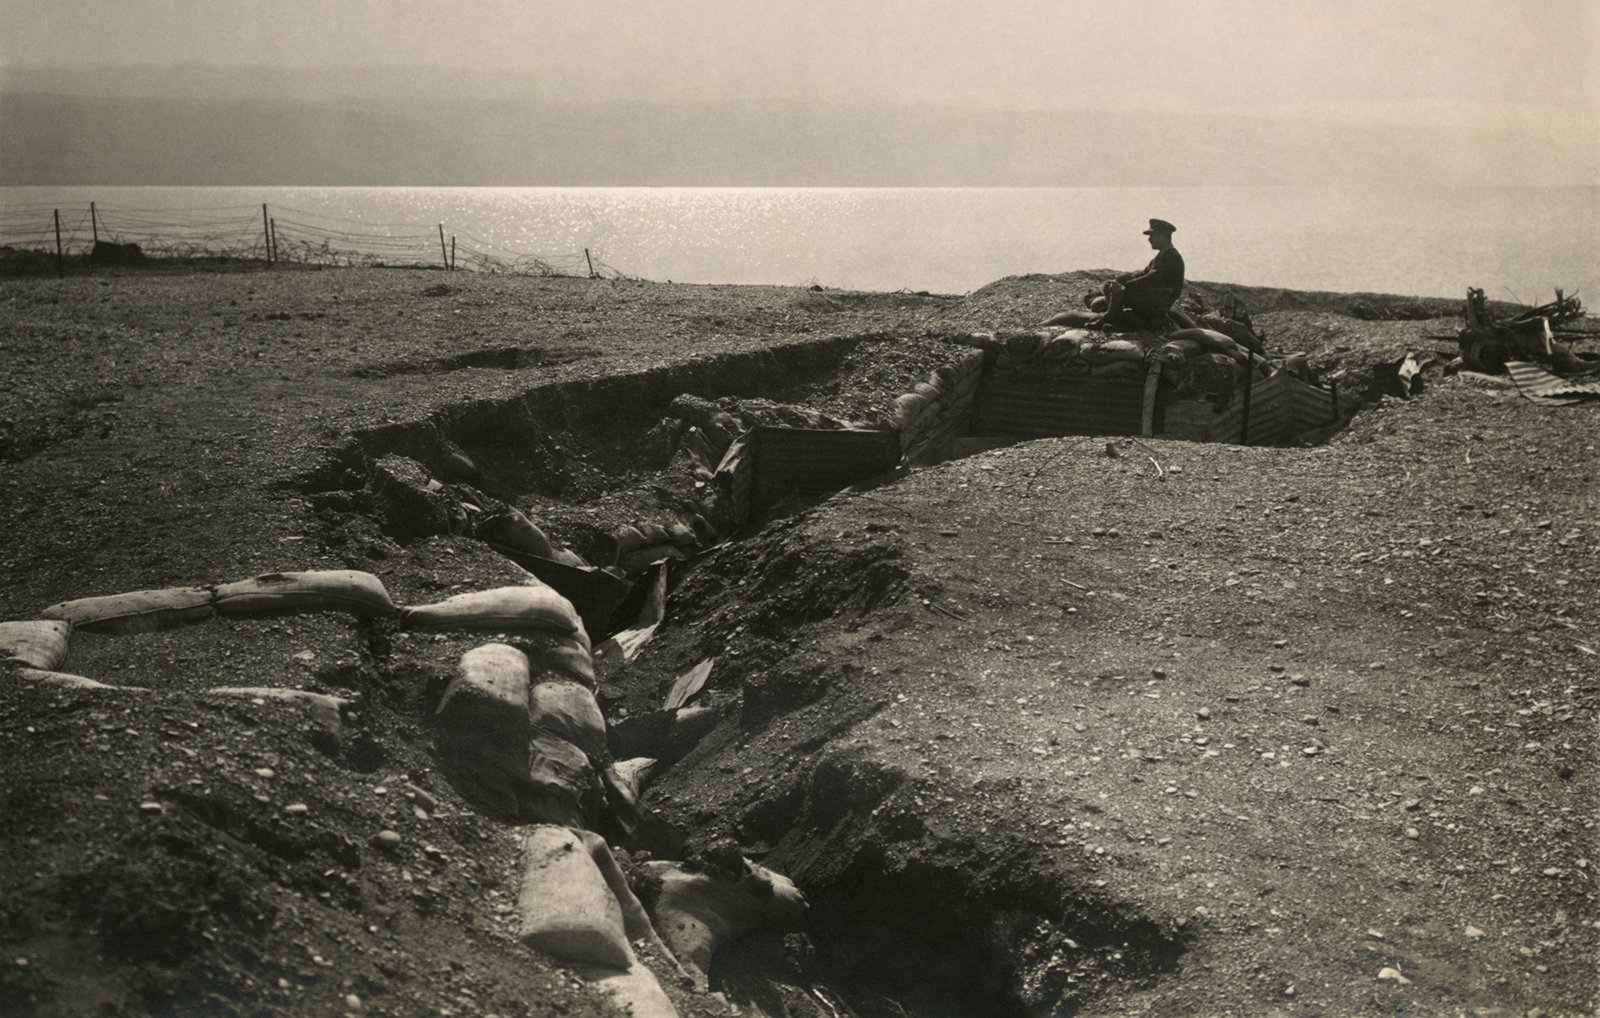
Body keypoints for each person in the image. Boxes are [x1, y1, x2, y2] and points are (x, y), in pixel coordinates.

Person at [1086, 219, 1185, 329]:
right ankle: (1114, 315)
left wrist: (1125, 286)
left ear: (1163, 235)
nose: (1149, 239)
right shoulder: (1161, 256)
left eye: (1153, 235)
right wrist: (1120, 280)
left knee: (1121, 288)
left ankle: (1115, 317)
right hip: (1153, 297)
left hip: (1160, 302)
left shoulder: (1171, 257)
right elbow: (1143, 273)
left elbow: (1151, 278)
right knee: (1113, 284)